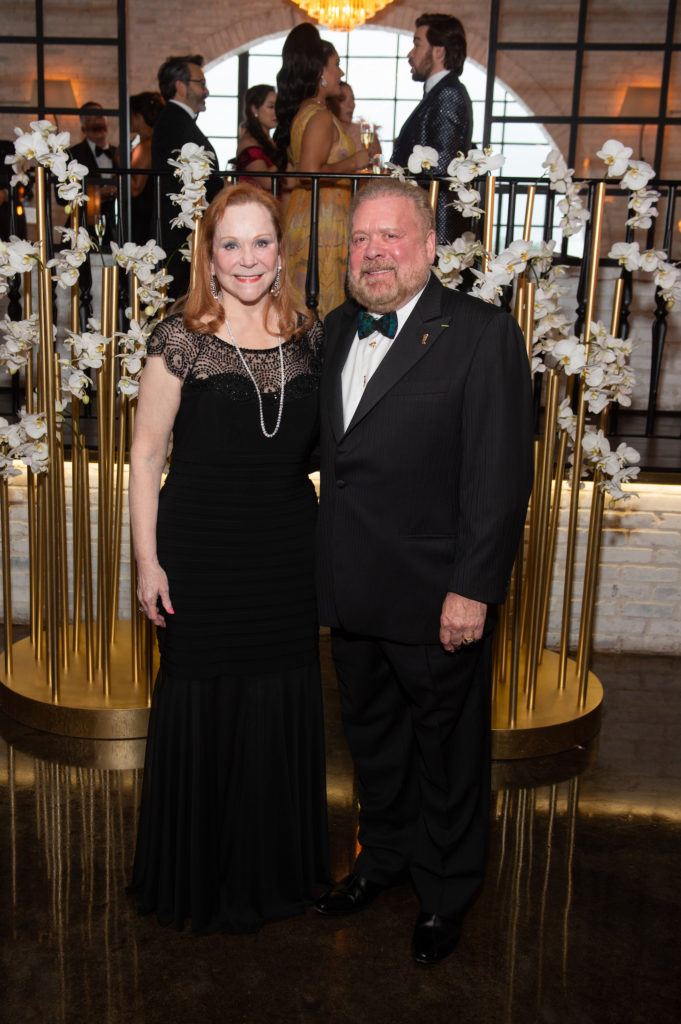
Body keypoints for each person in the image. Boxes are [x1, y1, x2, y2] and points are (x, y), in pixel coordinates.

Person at [314, 178, 534, 964]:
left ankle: (445, 891)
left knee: (446, 751)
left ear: (430, 247)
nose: (373, 252)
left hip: (438, 596)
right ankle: (384, 859)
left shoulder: (478, 334)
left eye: (391, 237)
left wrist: (472, 587)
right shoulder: (338, 329)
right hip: (350, 592)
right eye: (361, 239)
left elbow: (498, 477)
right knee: (372, 743)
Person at [128, 183, 329, 934]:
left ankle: (273, 872)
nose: (247, 258)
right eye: (230, 244)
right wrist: (147, 564)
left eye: (260, 243)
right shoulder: (178, 338)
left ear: (281, 255)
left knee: (278, 703)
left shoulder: (312, 337)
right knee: (202, 702)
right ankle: (198, 877)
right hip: (200, 552)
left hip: (283, 553)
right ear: (208, 258)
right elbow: (146, 457)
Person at [274, 23, 370, 317]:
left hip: (315, 216)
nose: (340, 73)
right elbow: (308, 172)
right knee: (323, 305)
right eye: (336, 66)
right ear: (321, 74)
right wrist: (355, 162)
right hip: (324, 221)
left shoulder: (306, 112)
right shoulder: (319, 117)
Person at [391, 13, 473, 244]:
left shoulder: (448, 94)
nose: (410, 54)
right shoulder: (440, 93)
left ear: (439, 51)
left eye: (417, 44)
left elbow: (443, 165)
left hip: (437, 225)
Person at [151, 54, 223, 297]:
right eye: (200, 83)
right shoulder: (174, 122)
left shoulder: (178, 121)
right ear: (180, 86)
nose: (206, 90)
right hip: (179, 236)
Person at [68, 101, 119, 247]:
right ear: (83, 128)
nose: (97, 123)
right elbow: (62, 197)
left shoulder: (119, 154)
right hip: (85, 231)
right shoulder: (73, 155)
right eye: (91, 120)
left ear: (107, 123)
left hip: (117, 231)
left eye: (100, 118)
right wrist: (96, 195)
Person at [129, 91, 165, 245]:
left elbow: (135, 188)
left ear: (138, 116)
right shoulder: (155, 142)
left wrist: (119, 159)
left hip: (143, 217)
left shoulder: (145, 147)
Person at [234, 84, 278, 191]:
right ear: (254, 109)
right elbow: (267, 182)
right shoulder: (249, 143)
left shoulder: (271, 141)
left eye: (278, 106)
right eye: (271, 107)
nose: (276, 112)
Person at [326, 82, 381, 163]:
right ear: (331, 103)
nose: (351, 105)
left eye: (352, 99)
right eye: (342, 99)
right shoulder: (323, 133)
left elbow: (379, 168)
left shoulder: (366, 132)